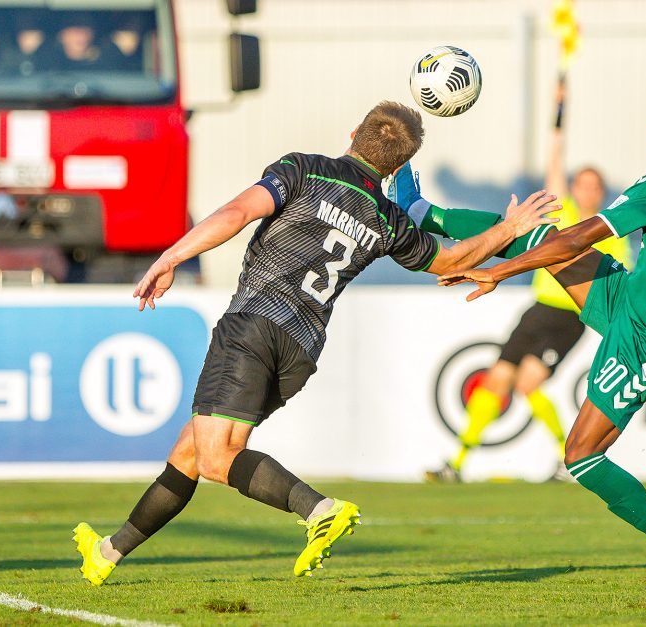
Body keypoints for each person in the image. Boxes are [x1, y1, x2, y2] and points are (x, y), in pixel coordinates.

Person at [72, 101, 559, 586]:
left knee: (217, 457)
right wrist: (510, 228)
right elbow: (453, 261)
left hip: (254, 324)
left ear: (353, 131)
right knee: (191, 452)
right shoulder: (389, 218)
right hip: (299, 352)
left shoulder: (303, 170)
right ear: (394, 168)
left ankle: (319, 509)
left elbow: (239, 212)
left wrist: (172, 256)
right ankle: (108, 552)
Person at [438, 71, 646, 593]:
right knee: (533, 232)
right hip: (632, 302)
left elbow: (582, 239)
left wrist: (497, 272)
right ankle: (427, 214)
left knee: (581, 454)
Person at [422, 78, 634, 483]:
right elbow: (554, 160)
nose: (588, 189)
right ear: (574, 187)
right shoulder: (562, 210)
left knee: (528, 382)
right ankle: (458, 463)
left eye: (595, 185)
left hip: (572, 316)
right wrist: (559, 113)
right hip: (539, 310)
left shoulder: (613, 232)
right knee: (498, 377)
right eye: (582, 183)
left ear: (601, 192)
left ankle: (566, 460)